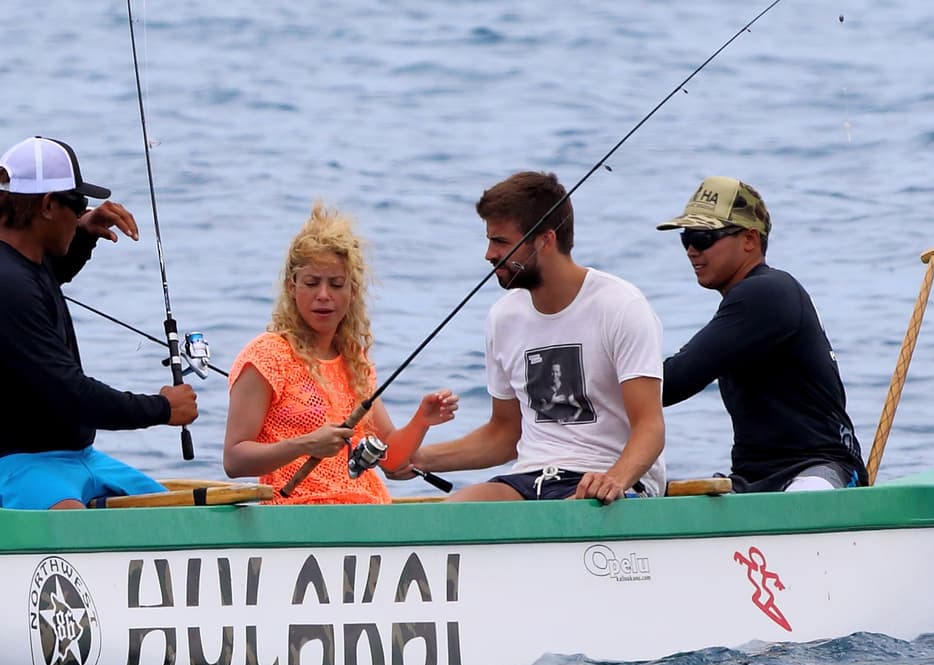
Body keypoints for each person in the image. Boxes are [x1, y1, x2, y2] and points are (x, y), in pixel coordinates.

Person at [0, 135, 198, 510]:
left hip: (72, 457)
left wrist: (84, 233)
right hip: (0, 464)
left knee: (176, 513)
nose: (81, 213)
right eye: (76, 205)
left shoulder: (10, 255)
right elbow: (72, 395)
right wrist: (162, 408)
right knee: (75, 523)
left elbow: (45, 275)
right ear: (47, 205)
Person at [407, 171, 666, 503]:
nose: (489, 254)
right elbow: (504, 434)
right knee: (451, 514)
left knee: (567, 516)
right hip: (531, 478)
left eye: (501, 242)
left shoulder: (621, 306)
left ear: (545, 240)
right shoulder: (503, 317)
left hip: (610, 479)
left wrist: (614, 480)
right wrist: (419, 458)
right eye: (489, 240)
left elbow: (650, 427)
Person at [223, 202, 459, 504]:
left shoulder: (353, 359)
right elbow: (234, 459)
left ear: (353, 290)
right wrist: (305, 445)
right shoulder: (266, 356)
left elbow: (391, 460)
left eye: (336, 284)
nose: (324, 295)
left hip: (367, 509)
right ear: (291, 286)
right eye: (311, 283)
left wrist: (421, 421)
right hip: (296, 511)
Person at [657, 176, 867, 492]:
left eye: (703, 237)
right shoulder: (749, 303)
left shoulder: (767, 292)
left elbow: (673, 381)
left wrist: (590, 393)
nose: (691, 250)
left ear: (749, 239)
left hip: (819, 468)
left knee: (799, 502)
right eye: (685, 238)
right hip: (752, 477)